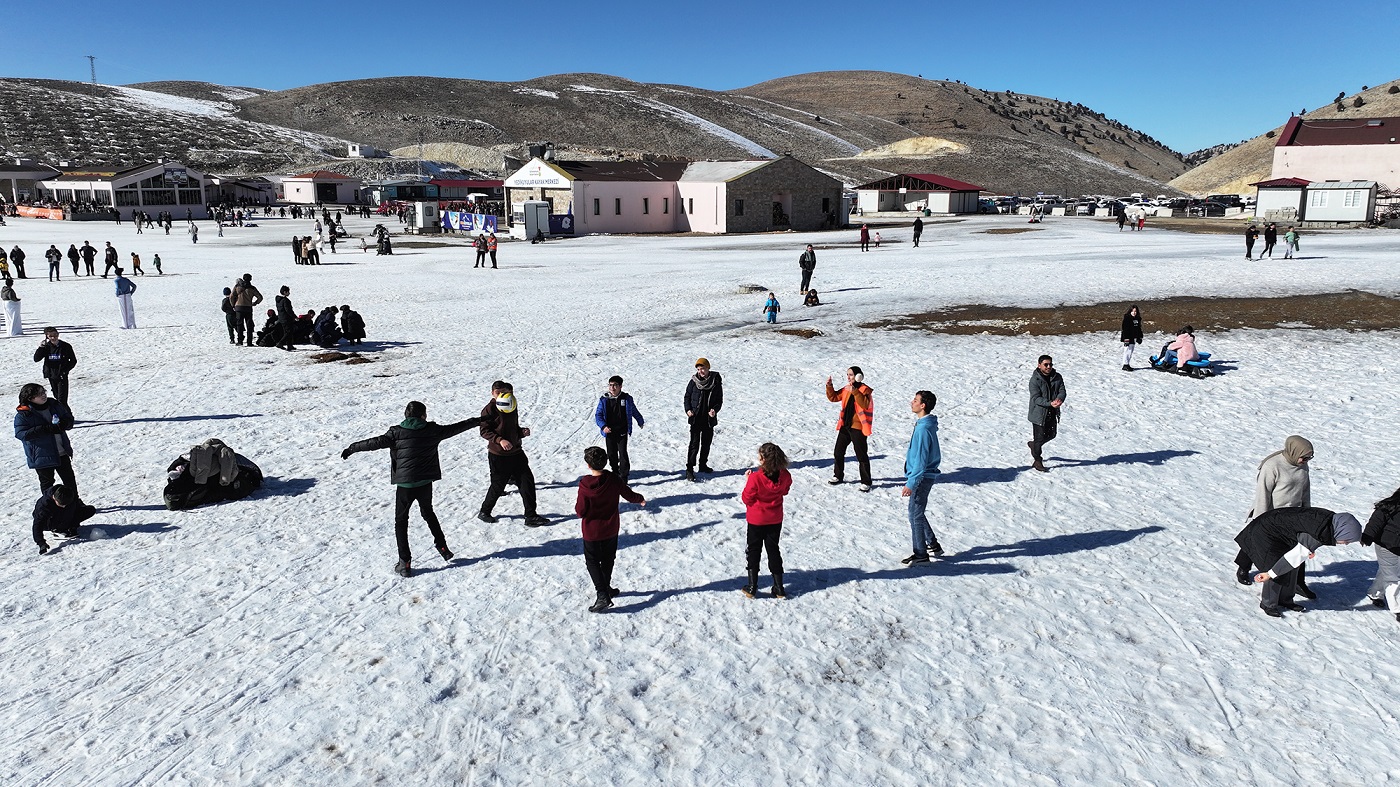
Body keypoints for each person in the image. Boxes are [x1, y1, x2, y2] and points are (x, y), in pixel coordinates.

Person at [341, 400, 482, 578]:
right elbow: (457, 428)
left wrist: (352, 448)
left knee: (401, 522)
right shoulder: (432, 430)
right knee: (428, 513)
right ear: (423, 415)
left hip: (405, 486)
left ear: (406, 415)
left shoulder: (395, 433)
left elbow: (373, 443)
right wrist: (478, 420)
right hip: (424, 483)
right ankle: (443, 547)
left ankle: (405, 562)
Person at [1237, 507, 1360, 617]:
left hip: (1281, 531)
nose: (1346, 543)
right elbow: (1292, 557)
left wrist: (1309, 548)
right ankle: (1268, 604)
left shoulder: (1330, 523)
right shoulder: (1321, 530)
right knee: (1277, 566)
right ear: (1341, 531)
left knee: (1294, 567)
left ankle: (1286, 600)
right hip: (1266, 531)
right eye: (1347, 540)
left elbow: (1305, 534)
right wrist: (1270, 574)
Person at [1235, 436, 1315, 594]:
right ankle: (1243, 567)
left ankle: (1298, 582)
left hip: (1293, 515)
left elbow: (1305, 490)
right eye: (1304, 456)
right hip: (1271, 514)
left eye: (1309, 457)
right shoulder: (1273, 466)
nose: (1306, 460)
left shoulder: (1303, 466)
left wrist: (1307, 512)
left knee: (1298, 547)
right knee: (1255, 540)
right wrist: (1260, 519)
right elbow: (1262, 494)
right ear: (1294, 451)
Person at [575, 446, 646, 612]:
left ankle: (602, 594)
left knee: (592, 561)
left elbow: (580, 511)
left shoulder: (585, 484)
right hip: (611, 528)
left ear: (588, 465)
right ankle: (606, 588)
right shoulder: (613, 479)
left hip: (592, 531)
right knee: (608, 559)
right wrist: (640, 499)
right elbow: (628, 494)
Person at [477, 381, 548, 527]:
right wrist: (500, 440)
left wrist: (521, 432)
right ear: (492, 393)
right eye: (497, 392)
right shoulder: (489, 409)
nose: (501, 395)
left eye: (503, 392)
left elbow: (513, 427)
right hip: (499, 455)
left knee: (527, 482)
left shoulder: (510, 404)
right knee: (498, 485)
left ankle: (531, 515)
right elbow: (484, 431)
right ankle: (484, 511)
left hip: (516, 452)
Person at [740, 442, 792, 599]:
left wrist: (748, 480)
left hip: (756, 520)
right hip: (775, 519)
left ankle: (752, 586)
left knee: (754, 550)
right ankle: (779, 587)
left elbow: (747, 498)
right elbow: (785, 491)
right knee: (773, 549)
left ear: (763, 459)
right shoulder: (785, 475)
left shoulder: (755, 478)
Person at [14, 382, 79, 496]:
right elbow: (21, 434)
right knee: (47, 485)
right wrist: (47, 429)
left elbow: (68, 419)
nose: (43, 395)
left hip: (62, 452)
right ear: (30, 398)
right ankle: (48, 509)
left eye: (43, 391)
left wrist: (65, 423)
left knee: (70, 481)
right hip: (41, 456)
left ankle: (76, 506)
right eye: (39, 394)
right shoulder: (24, 414)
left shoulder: (54, 405)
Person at [902, 390, 943, 565]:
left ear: (923, 405)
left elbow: (920, 460)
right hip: (923, 475)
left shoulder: (924, 429)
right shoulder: (923, 425)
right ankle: (933, 545)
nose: (912, 402)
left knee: (914, 515)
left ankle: (921, 555)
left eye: (915, 400)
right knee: (917, 512)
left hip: (921, 477)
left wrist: (911, 482)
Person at [826, 366, 874, 492]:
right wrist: (829, 387)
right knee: (838, 452)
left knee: (861, 455)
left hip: (858, 427)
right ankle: (838, 475)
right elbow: (834, 397)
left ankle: (866, 481)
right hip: (845, 425)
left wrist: (855, 391)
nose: (848, 377)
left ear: (859, 376)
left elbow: (865, 404)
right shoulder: (847, 388)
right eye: (847, 374)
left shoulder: (865, 390)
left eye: (851, 375)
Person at [594, 375, 644, 484]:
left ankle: (624, 476)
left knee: (623, 453)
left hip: (622, 431)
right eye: (610, 385)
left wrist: (640, 420)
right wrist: (603, 427)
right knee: (611, 454)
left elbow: (633, 410)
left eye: (615, 385)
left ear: (620, 386)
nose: (612, 388)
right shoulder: (604, 400)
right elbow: (598, 415)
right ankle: (615, 472)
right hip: (609, 432)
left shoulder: (626, 399)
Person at [1362, 487, 1400, 621]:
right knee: (1393, 578)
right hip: (1386, 546)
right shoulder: (1390, 506)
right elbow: (1375, 522)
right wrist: (1367, 536)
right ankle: (1398, 608)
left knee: (1387, 571)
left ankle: (1375, 593)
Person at [684, 358, 723, 481]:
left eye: (703, 368)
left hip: (708, 420)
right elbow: (687, 397)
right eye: (699, 369)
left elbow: (719, 400)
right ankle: (689, 469)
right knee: (694, 445)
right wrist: (688, 409)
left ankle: (703, 465)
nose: (701, 371)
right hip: (695, 419)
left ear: (708, 368)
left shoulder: (715, 382)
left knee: (706, 444)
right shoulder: (693, 381)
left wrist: (714, 410)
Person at [31, 484, 96, 556]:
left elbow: (77, 506)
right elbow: (37, 525)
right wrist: (41, 543)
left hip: (66, 516)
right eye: (61, 504)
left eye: (66, 504)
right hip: (49, 522)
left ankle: (68, 527)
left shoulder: (69, 494)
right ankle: (58, 530)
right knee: (61, 515)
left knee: (90, 510)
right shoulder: (44, 506)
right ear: (54, 498)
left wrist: (75, 524)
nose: (64, 506)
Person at [1027, 355, 1065, 473]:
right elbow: (1036, 398)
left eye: (1050, 364)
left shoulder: (1057, 377)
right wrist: (1050, 403)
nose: (1049, 367)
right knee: (1039, 438)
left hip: (1052, 412)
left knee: (1052, 434)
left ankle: (1034, 445)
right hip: (1039, 414)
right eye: (1046, 365)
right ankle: (1037, 460)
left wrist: (1059, 399)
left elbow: (1062, 390)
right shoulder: (1035, 380)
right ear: (1039, 365)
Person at [33, 328, 76, 406]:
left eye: (55, 335)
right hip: (51, 376)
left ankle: (67, 417)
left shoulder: (66, 346)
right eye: (50, 336)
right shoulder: (46, 347)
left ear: (58, 334)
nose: (53, 338)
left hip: (62, 376)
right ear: (47, 337)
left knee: (62, 400)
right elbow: (36, 359)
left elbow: (73, 361)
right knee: (56, 398)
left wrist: (65, 371)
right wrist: (41, 348)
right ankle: (63, 416)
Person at [233, 274, 263, 347]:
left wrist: (233, 304)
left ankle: (240, 341)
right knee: (249, 325)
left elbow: (231, 296)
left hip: (239, 307)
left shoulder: (237, 287)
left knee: (239, 324)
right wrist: (255, 303)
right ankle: (249, 342)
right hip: (248, 308)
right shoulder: (252, 288)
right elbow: (260, 297)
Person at [1120, 305, 1143, 371]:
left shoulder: (1137, 319)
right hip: (1128, 337)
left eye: (1135, 311)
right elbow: (1125, 329)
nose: (1134, 313)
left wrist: (1139, 337)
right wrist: (1126, 339)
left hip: (1134, 337)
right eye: (1132, 311)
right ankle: (1125, 364)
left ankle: (1127, 364)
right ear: (1130, 311)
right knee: (1127, 351)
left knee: (1130, 351)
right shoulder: (1127, 318)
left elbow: (1139, 328)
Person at [275, 286, 296, 351]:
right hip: (287, 318)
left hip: (281, 318)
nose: (289, 293)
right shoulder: (285, 300)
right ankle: (280, 343)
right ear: (285, 292)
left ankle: (290, 345)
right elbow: (288, 310)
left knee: (287, 332)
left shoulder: (278, 300)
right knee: (288, 332)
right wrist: (294, 317)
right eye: (288, 292)